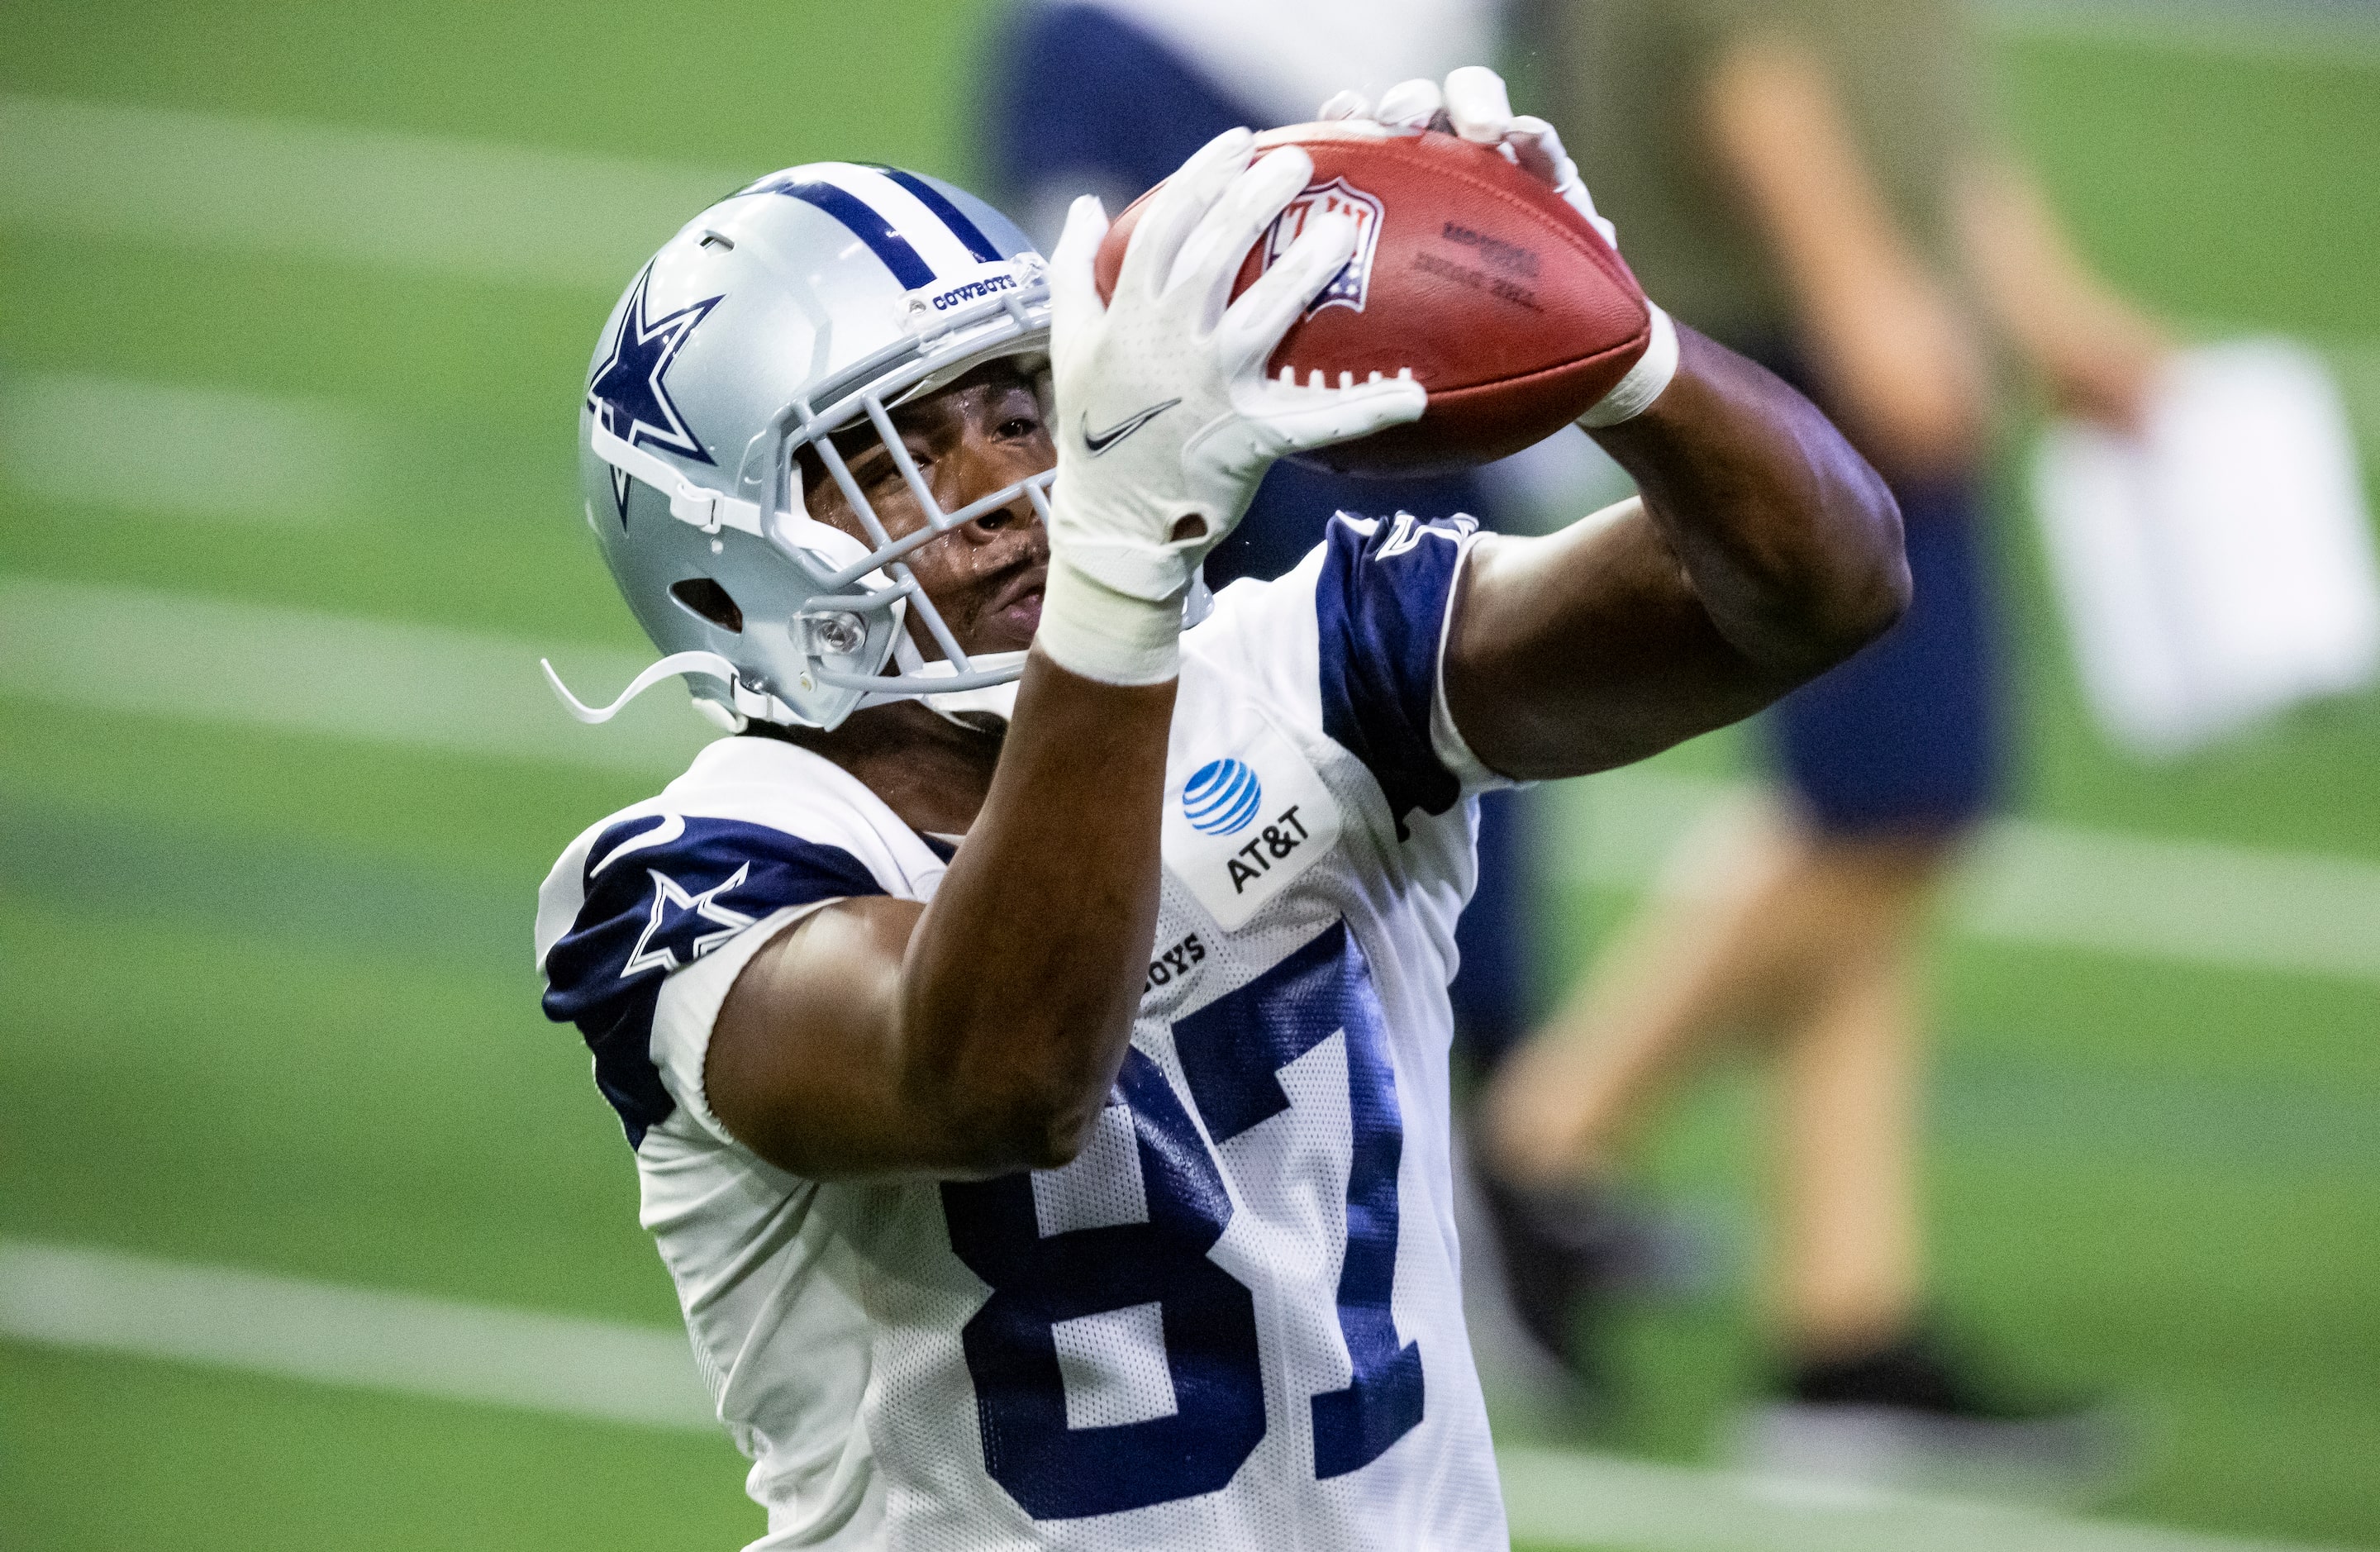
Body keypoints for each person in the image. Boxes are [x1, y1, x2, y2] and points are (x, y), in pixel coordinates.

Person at [535, 69, 1904, 1549]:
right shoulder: (689, 884)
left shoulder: (1311, 675)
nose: (1005, 485)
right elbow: (1002, 1074)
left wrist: (1619, 353)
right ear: (720, 565)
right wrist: (1124, 575)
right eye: (895, 455)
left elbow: (1826, 588)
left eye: (1017, 408)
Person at [1481, 0, 2170, 1481]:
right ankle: (1533, 1151)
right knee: (1889, 807)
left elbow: (1906, 91)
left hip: (1844, 294)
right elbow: (1739, 48)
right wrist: (1858, 280)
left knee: (1889, 830)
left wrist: (2033, 300)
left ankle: (1846, 1322)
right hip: (1799, 318)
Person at [980, 0, 1536, 1069]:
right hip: (1187, 85)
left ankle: (1494, 1108)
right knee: (1140, 574)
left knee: (1430, 620)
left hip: (1367, 134)